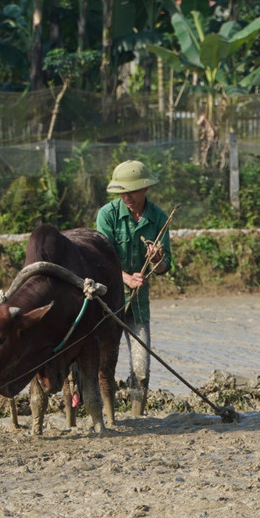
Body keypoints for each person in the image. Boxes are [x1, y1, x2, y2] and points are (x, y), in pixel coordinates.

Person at [96, 160, 172, 417]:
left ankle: (137, 416)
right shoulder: (107, 215)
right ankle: (105, 415)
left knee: (142, 369)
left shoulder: (159, 218)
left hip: (137, 305)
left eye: (132, 191)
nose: (127, 197)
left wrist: (156, 259)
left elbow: (164, 267)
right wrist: (126, 278)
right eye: (123, 192)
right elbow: (101, 261)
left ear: (145, 189)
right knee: (101, 366)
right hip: (107, 304)